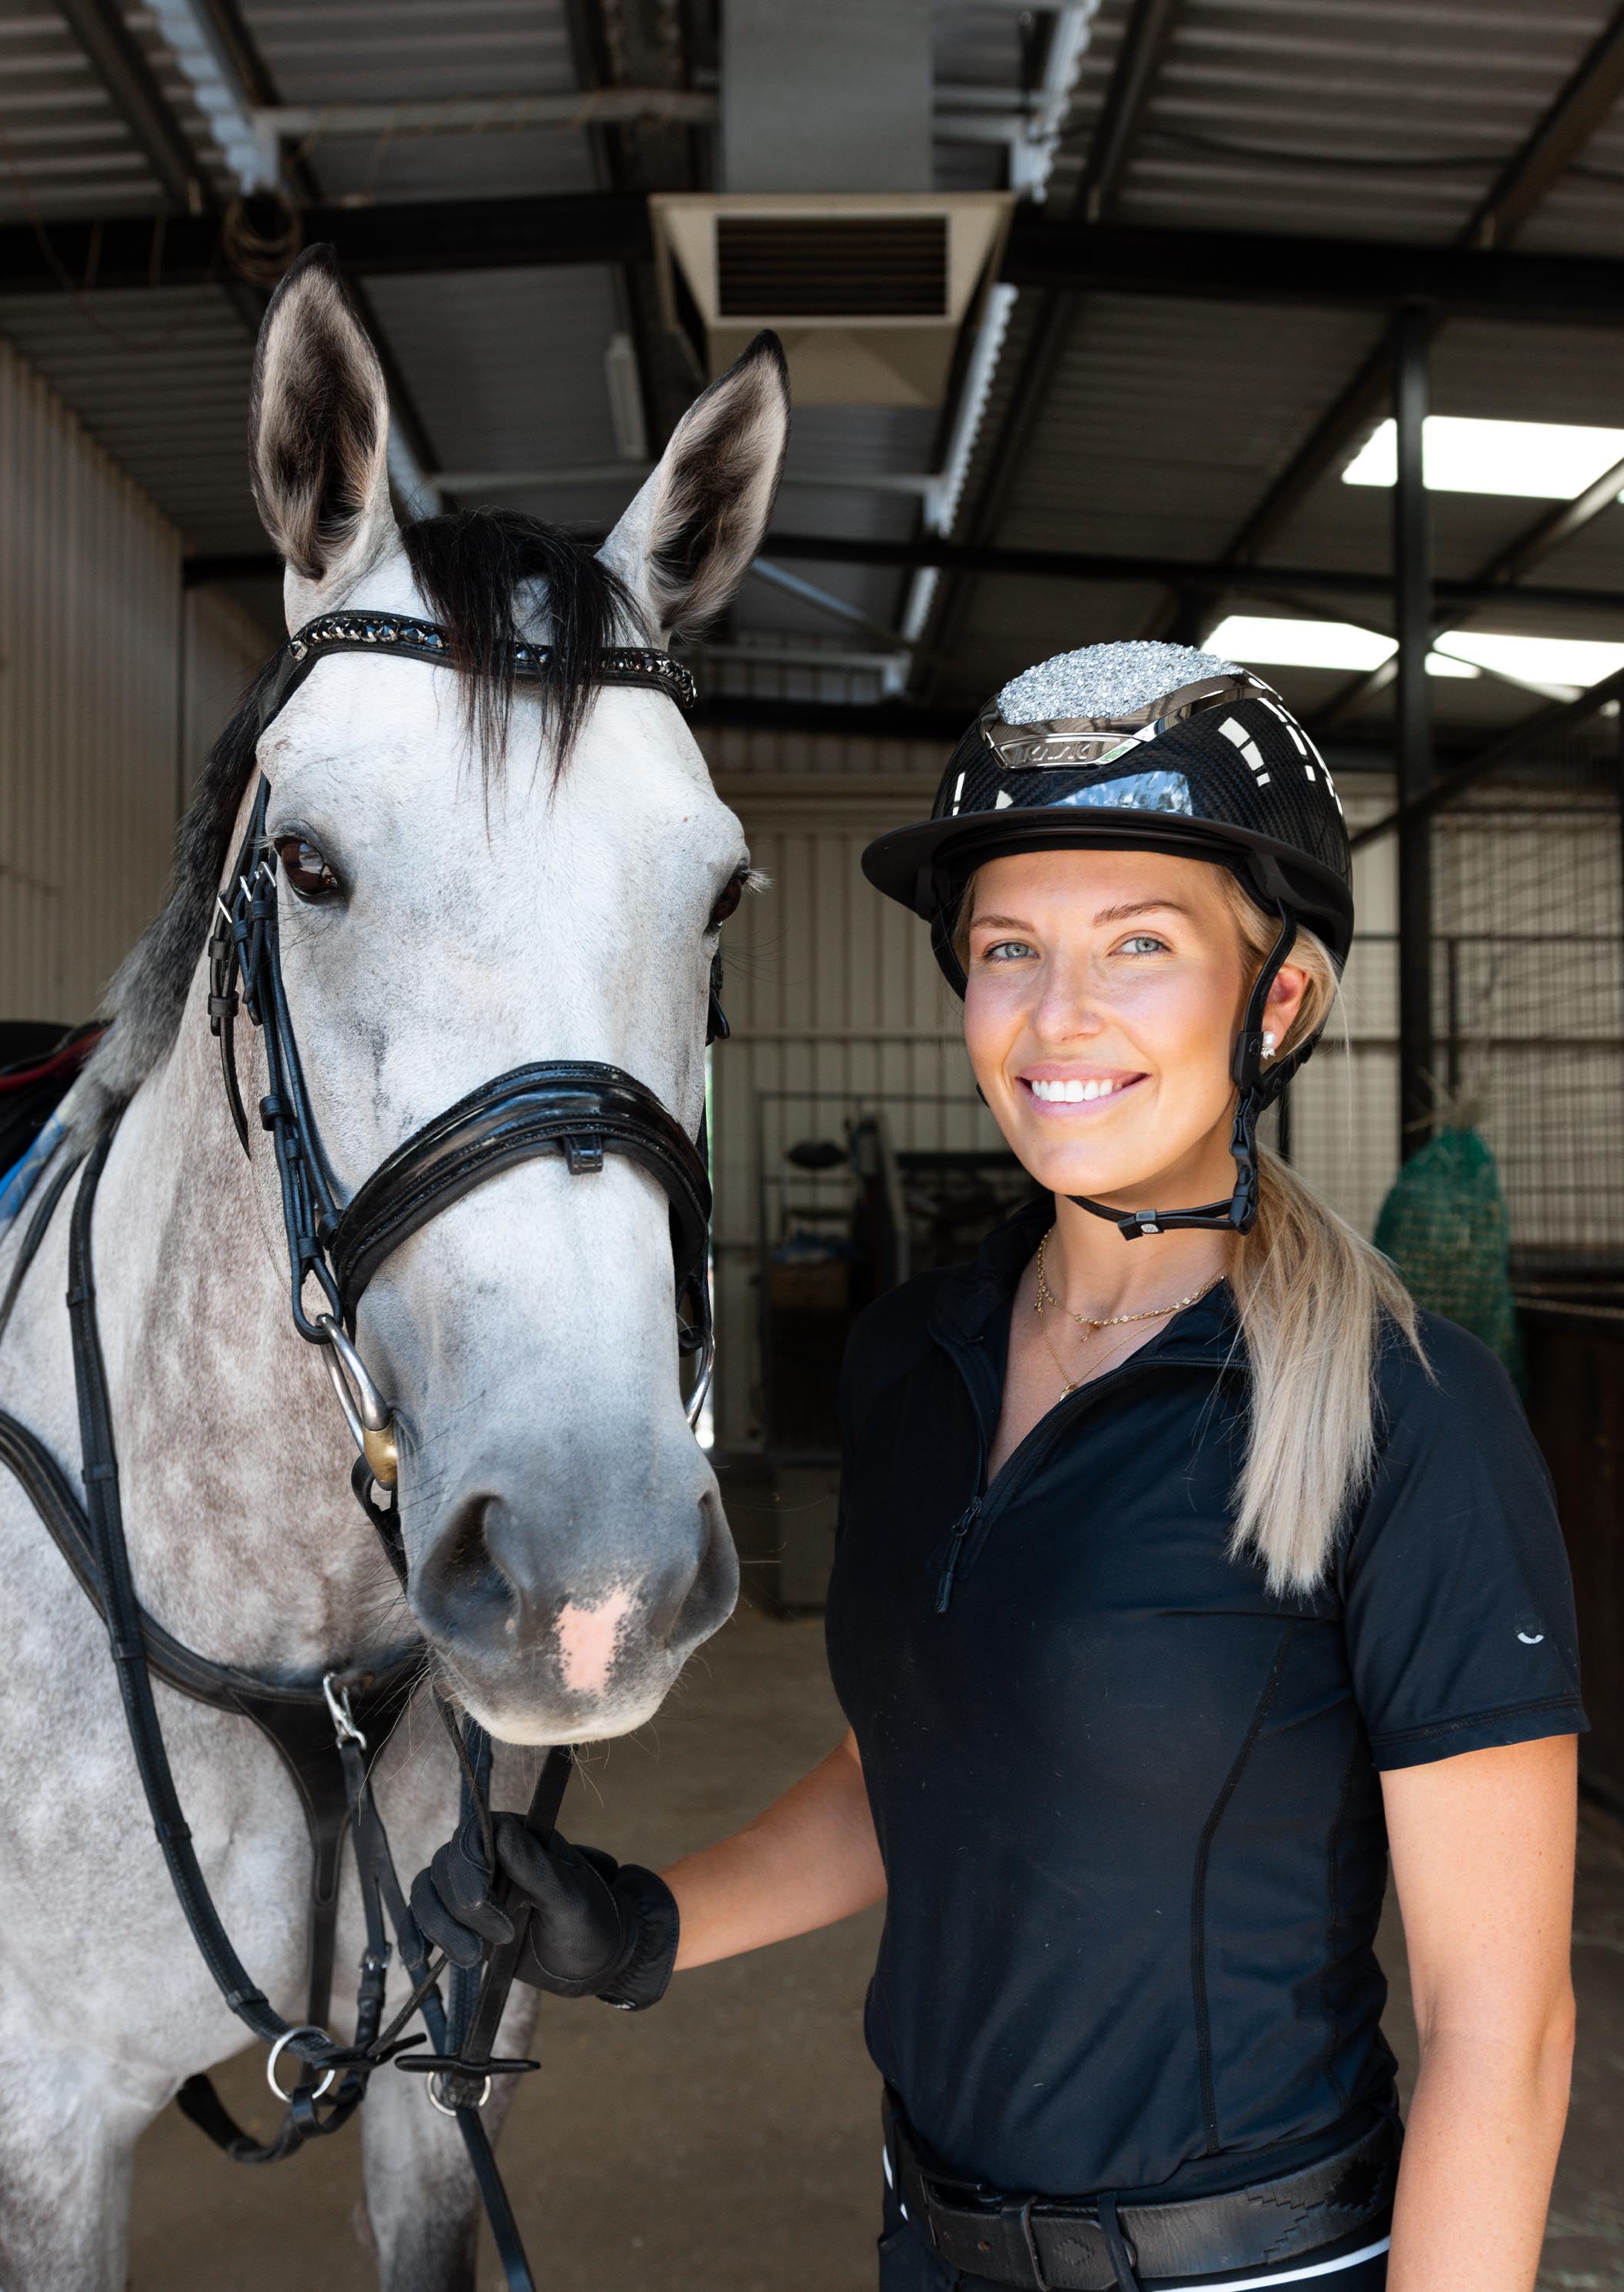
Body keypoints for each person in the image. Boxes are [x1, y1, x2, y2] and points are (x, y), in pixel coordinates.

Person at [410, 642, 1585, 2292]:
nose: (1058, 1016)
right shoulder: (916, 1359)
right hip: (932, 2248)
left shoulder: (1404, 1412)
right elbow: (934, 1763)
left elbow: (1501, 2029)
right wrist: (647, 1923)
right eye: (1007, 950)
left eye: (1140, 949)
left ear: (1281, 998)